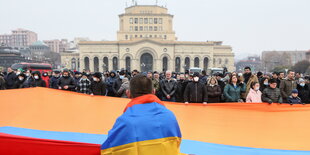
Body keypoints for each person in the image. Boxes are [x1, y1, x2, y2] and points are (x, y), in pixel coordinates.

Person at [101, 74, 182, 154]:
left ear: (128, 93)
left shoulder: (125, 121)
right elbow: (176, 144)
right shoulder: (170, 116)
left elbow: (109, 150)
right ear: (153, 91)